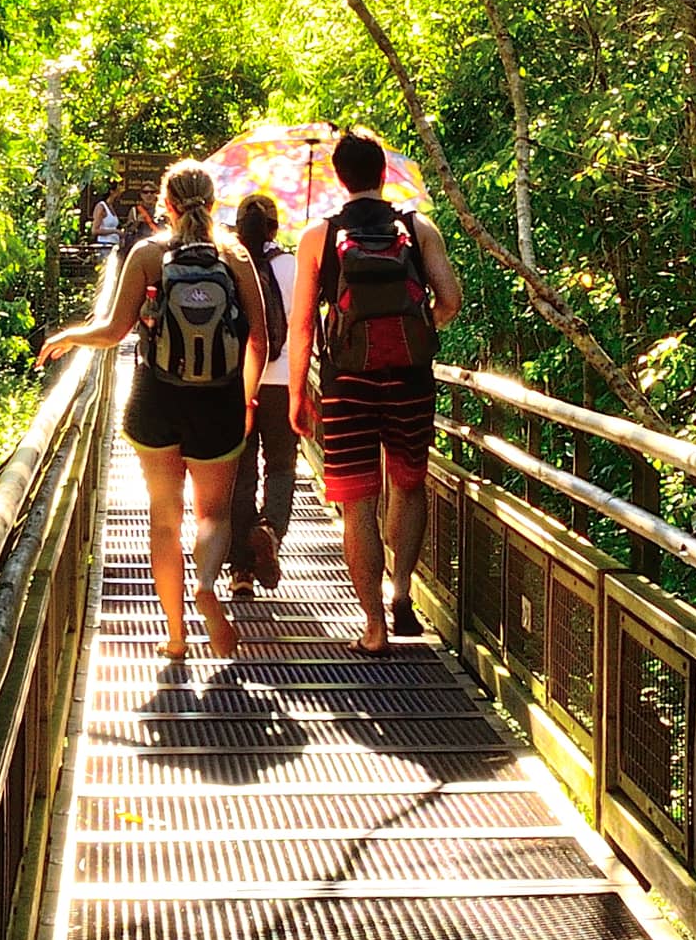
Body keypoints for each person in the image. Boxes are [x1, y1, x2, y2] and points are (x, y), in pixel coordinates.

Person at [42, 161, 266, 659]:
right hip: (219, 402)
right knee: (213, 515)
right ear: (212, 203)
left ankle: (175, 635)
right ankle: (207, 586)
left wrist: (68, 335)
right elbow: (261, 338)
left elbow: (112, 332)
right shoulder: (235, 257)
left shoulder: (147, 253)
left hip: (156, 400)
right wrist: (245, 399)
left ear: (165, 204)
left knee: (163, 519)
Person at [288, 131, 463, 652]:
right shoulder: (417, 227)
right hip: (410, 378)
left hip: (346, 383)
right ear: (383, 172)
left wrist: (298, 395)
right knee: (408, 484)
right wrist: (411, 331)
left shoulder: (318, 237)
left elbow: (300, 325)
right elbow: (450, 300)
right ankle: (403, 592)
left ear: (340, 177)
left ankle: (372, 627)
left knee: (357, 502)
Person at [222, 191, 301, 599]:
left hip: (237, 382)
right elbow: (307, 329)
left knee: (242, 473)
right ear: (275, 227)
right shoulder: (293, 266)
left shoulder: (229, 264)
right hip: (285, 381)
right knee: (282, 467)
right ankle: (269, 529)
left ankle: (240, 571)